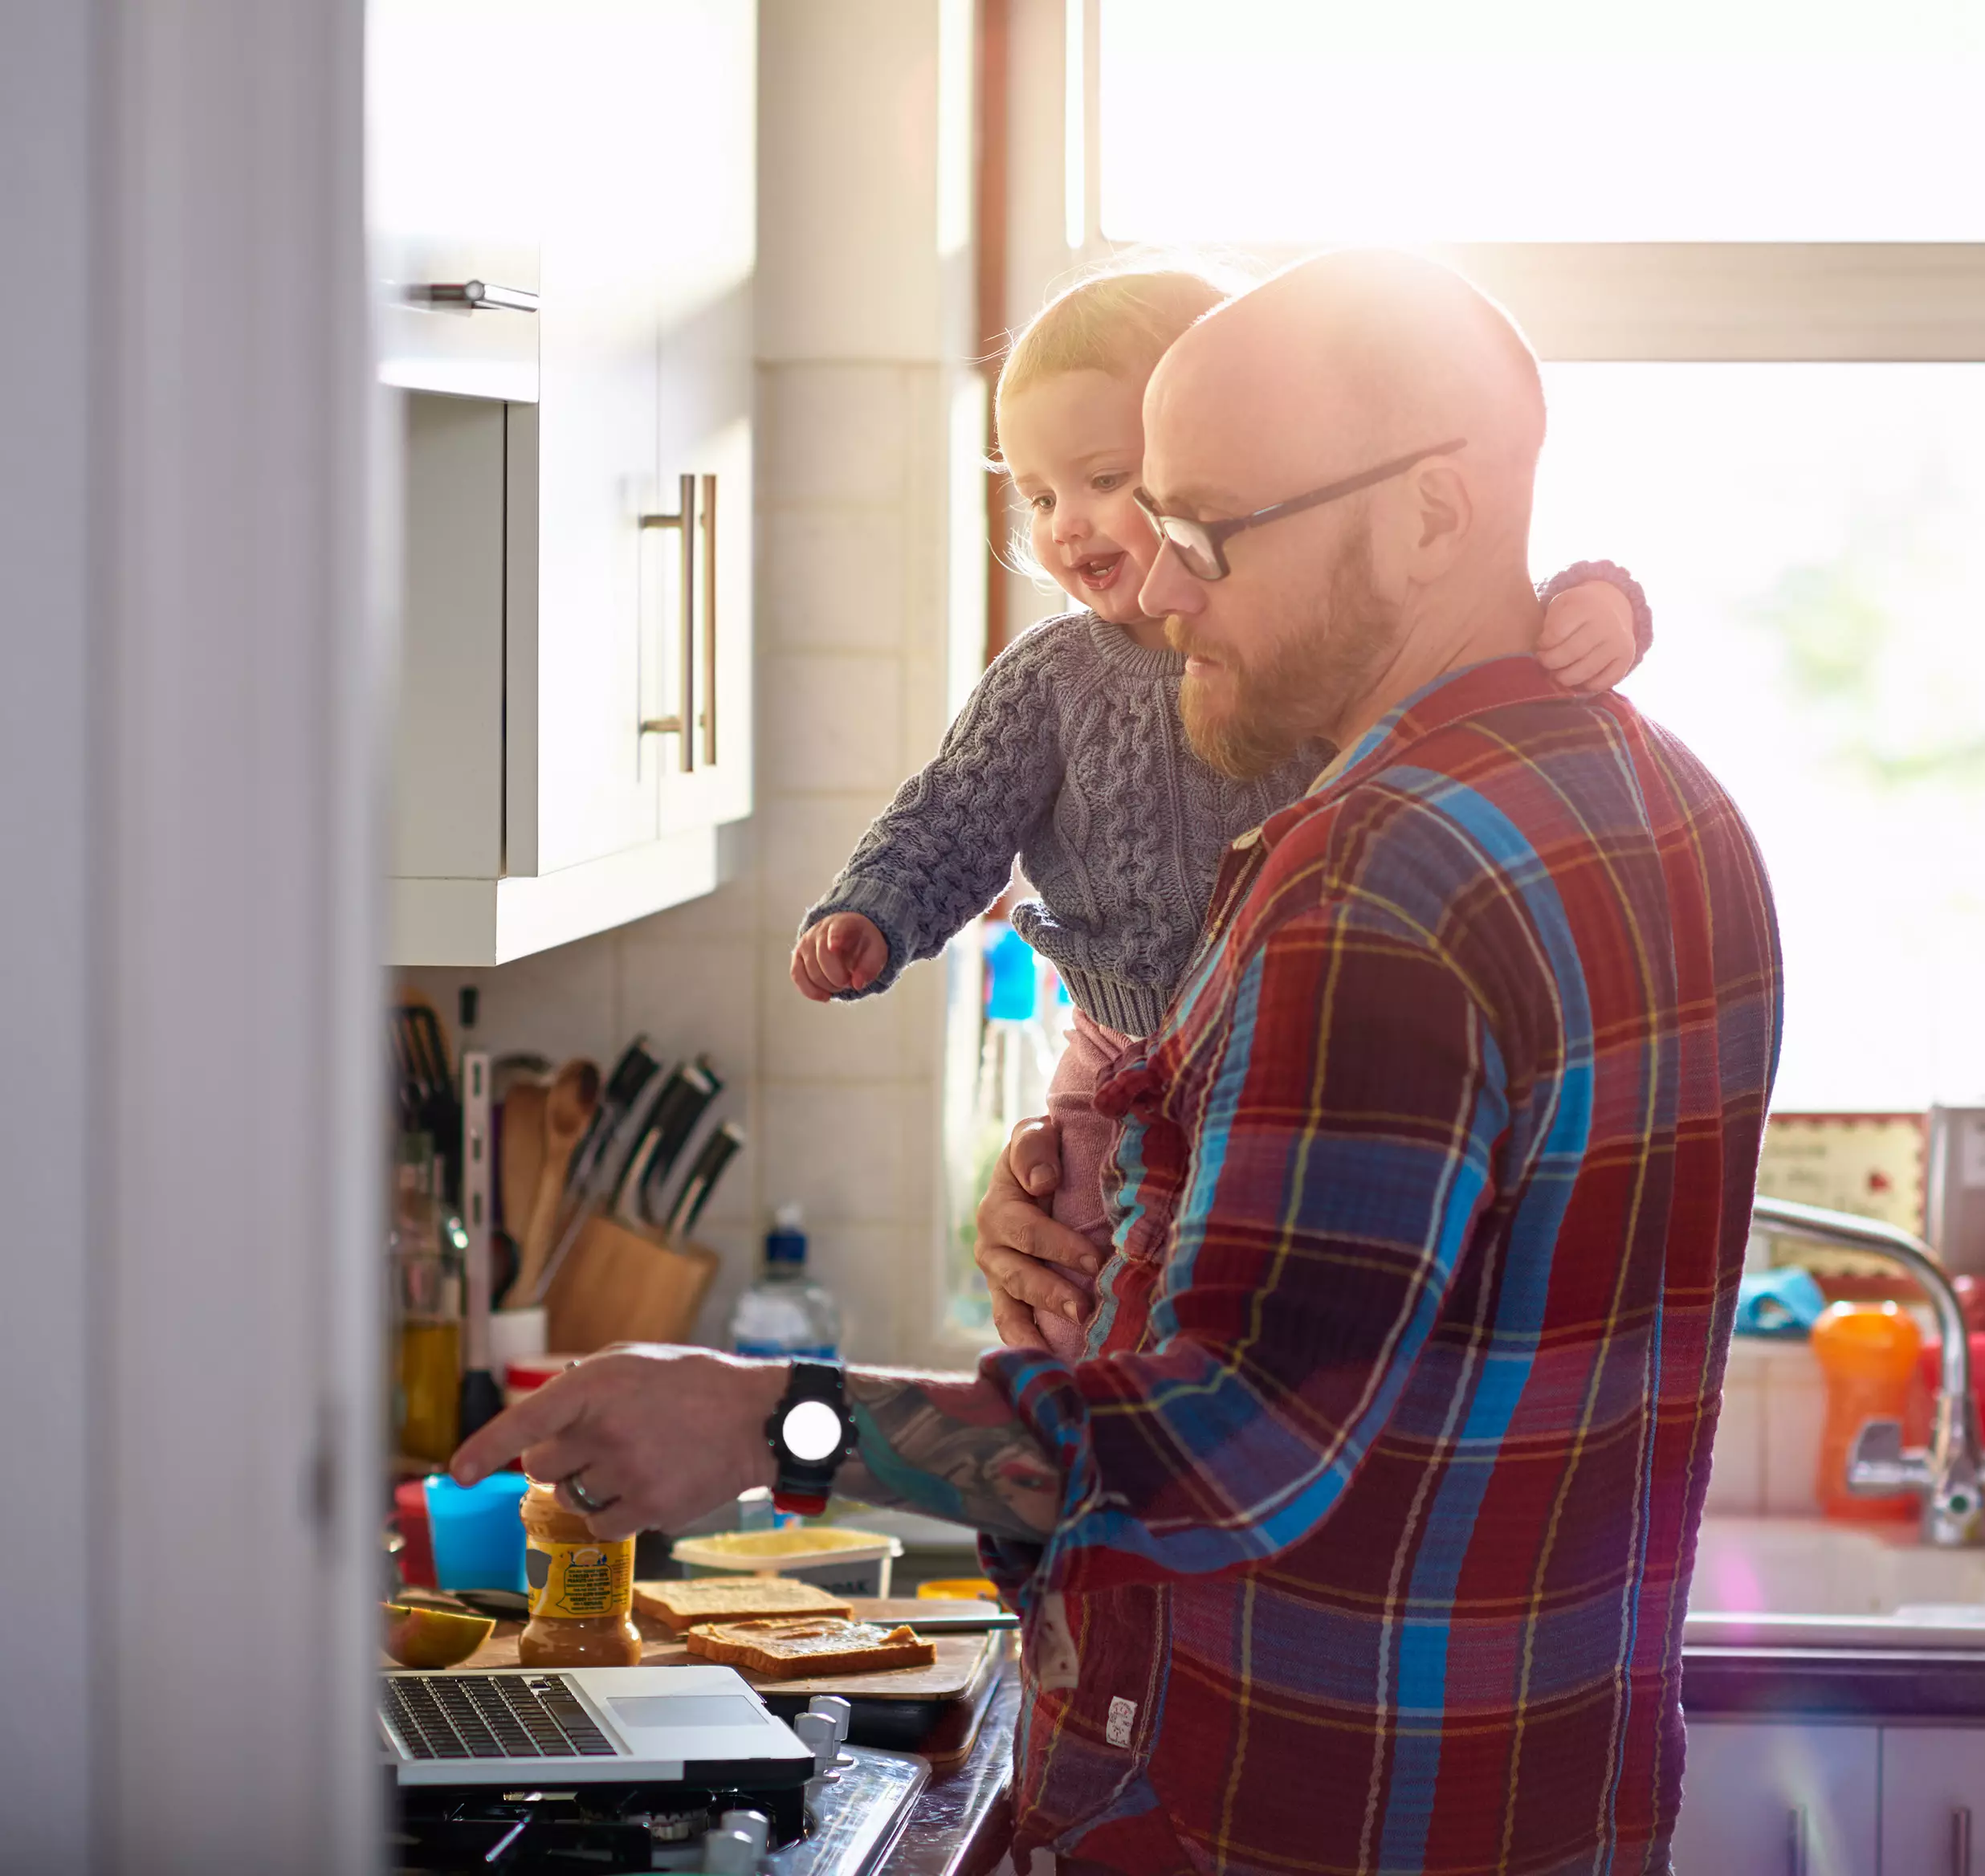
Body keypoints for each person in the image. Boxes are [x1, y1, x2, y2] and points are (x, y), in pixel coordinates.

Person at [454, 247, 1781, 1875]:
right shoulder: (1676, 811)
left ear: (1430, 513)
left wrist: (765, 1423)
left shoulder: (1373, 876)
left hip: (1271, 1823)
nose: (1154, 587)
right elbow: (1420, 1295)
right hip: (1539, 1808)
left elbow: (1233, 1442)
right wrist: (1120, 1198)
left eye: (1208, 530)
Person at [788, 262, 1652, 1360]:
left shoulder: (1313, 657)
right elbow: (950, 818)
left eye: (1113, 479)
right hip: (1118, 1048)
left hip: (1271, 1043)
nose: (1069, 526)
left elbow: (1476, 624)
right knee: (1075, 1309)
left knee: (1188, 1340)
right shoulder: (1054, 678)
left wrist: (1595, 604)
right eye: (1041, 497)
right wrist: (875, 911)